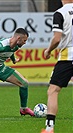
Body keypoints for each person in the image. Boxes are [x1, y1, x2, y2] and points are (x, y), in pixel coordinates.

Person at [41, 0, 73, 133]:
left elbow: (57, 38)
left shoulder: (60, 13)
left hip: (67, 57)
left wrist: (48, 50)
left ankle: (49, 128)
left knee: (53, 91)